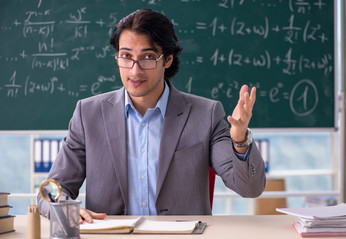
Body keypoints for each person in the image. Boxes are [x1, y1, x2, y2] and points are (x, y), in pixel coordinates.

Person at [37, 9, 266, 223]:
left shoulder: (204, 113)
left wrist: (239, 139)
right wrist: (67, 208)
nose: (134, 70)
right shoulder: (88, 114)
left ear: (167, 60)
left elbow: (250, 189)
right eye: (126, 56)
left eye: (147, 57)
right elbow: (51, 191)